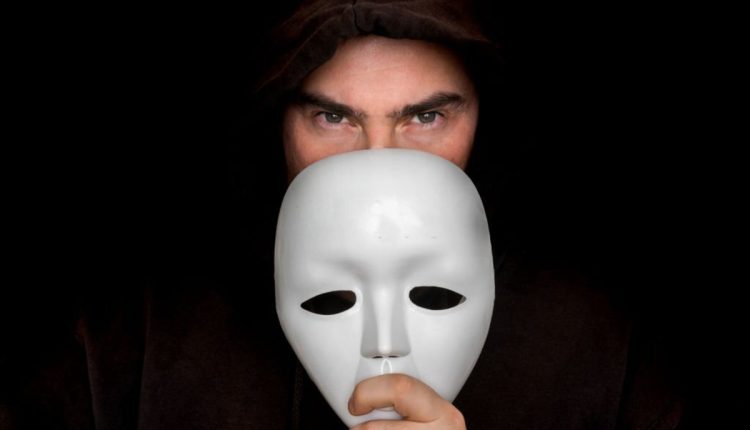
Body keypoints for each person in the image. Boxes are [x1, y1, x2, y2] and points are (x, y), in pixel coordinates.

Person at [1, 1, 691, 429]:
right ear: (277, 121)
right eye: (333, 118)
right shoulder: (127, 338)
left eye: (426, 117)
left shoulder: (603, 344)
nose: (377, 159)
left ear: (486, 118)